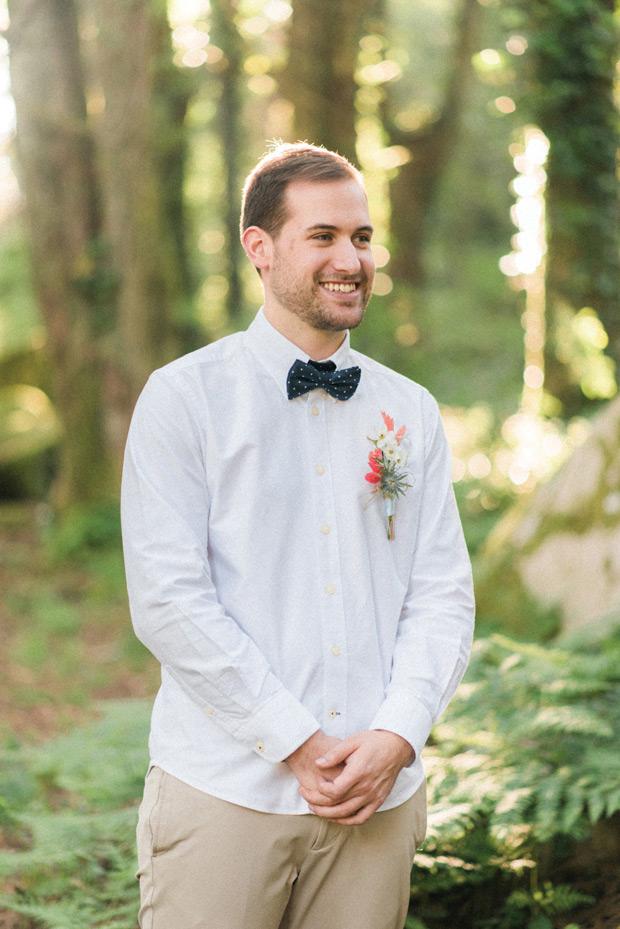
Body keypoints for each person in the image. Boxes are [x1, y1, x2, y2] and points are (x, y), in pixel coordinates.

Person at [121, 141, 475, 929]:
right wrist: (295, 740)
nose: (352, 259)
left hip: (378, 805)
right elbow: (169, 601)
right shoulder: (184, 399)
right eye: (324, 236)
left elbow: (443, 592)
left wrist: (398, 733)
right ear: (260, 246)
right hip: (226, 792)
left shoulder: (409, 410)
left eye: (362, 236)